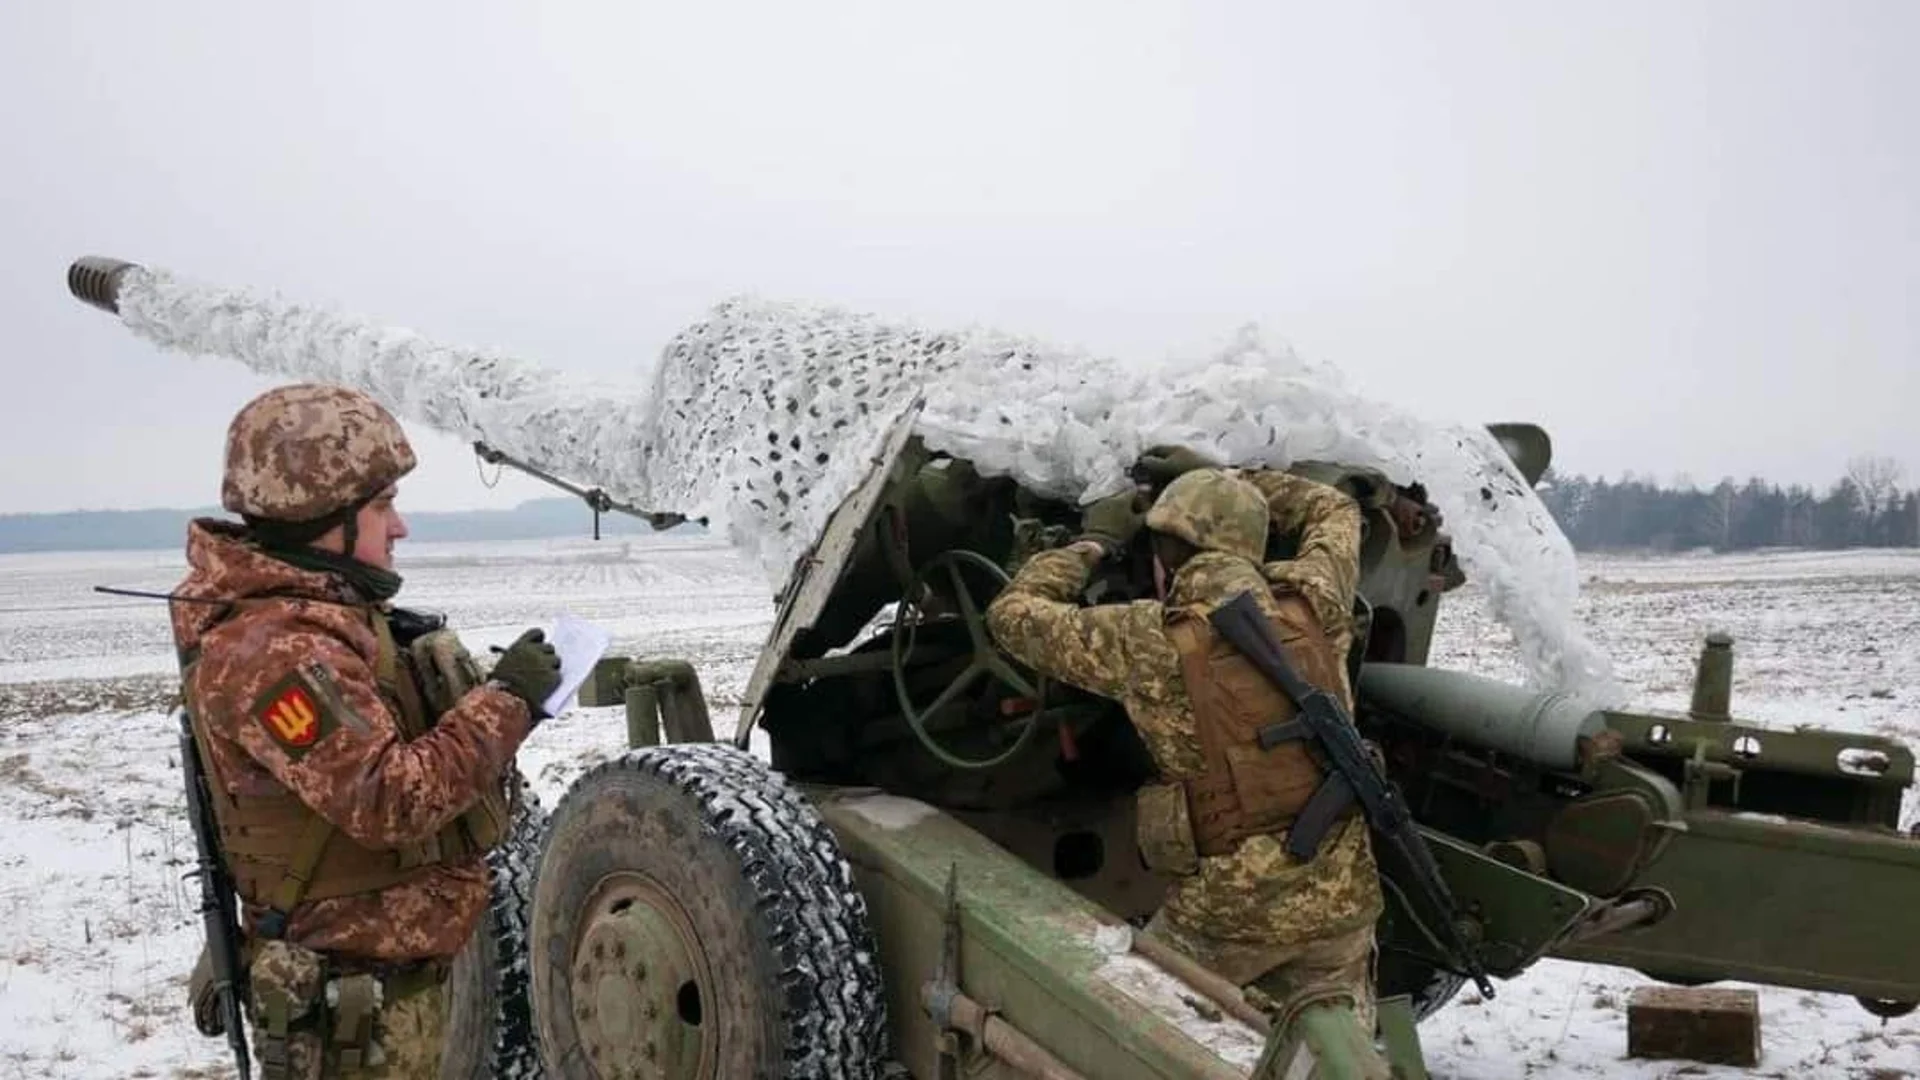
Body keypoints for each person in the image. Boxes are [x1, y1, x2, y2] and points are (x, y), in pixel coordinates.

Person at [171, 383, 562, 1079]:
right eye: (382, 508)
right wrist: (509, 702)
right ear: (324, 517)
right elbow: (390, 799)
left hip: (382, 995)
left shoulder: (320, 624)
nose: (399, 528)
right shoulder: (278, 653)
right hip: (346, 1016)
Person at [986, 448, 1390, 1079]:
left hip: (1225, 919)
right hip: (1346, 904)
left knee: (1141, 1038)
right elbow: (1335, 507)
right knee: (1325, 1063)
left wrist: (1090, 545)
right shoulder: (1319, 601)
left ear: (1162, 557)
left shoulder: (1146, 640)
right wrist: (1240, 481)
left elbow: (1010, 616)